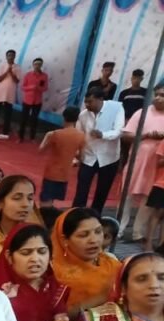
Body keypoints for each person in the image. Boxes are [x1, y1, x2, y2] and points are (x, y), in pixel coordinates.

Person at [50, 207, 121, 314]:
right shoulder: (54, 274)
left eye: (98, 232)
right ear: (64, 240)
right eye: (83, 235)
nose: (94, 240)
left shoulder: (113, 264)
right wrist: (102, 297)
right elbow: (53, 316)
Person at [121, 81, 164, 245]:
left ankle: (137, 233)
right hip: (137, 162)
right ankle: (119, 228)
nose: (158, 98)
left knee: (148, 199)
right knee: (127, 195)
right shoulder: (142, 113)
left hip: (158, 166)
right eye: (157, 94)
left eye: (162, 96)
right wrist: (146, 136)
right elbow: (126, 136)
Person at [74, 86, 124, 215]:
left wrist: (103, 135)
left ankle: (95, 215)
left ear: (100, 99)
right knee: (81, 189)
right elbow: (78, 134)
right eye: (86, 102)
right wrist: (76, 153)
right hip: (88, 156)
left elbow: (119, 131)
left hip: (109, 158)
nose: (87, 105)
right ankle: (76, 215)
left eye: (90, 102)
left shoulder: (116, 109)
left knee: (102, 191)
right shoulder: (83, 115)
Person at [38, 106, 86, 206]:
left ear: (64, 117)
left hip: (51, 172)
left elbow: (41, 150)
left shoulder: (55, 134)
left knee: (45, 200)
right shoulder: (81, 136)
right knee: (52, 199)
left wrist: (46, 136)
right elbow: (81, 157)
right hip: (65, 174)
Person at [0, 175, 41, 252]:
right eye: (17, 198)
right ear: (0, 203)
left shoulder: (37, 237)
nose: (26, 204)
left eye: (30, 198)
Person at [0, 50, 21, 139]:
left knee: (8, 115)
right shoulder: (2, 66)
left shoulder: (17, 67)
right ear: (6, 57)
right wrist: (6, 72)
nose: (10, 57)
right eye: (9, 55)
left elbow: (17, 81)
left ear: (15, 56)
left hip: (9, 94)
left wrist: (11, 72)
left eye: (12, 55)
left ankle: (5, 133)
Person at [19, 58, 49, 142]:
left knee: (34, 120)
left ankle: (32, 137)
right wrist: (31, 87)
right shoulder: (28, 75)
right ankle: (20, 137)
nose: (37, 66)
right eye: (36, 64)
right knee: (23, 119)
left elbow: (45, 88)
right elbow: (23, 87)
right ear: (33, 65)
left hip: (37, 101)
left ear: (41, 65)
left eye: (39, 64)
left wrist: (38, 88)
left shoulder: (44, 76)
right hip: (27, 100)